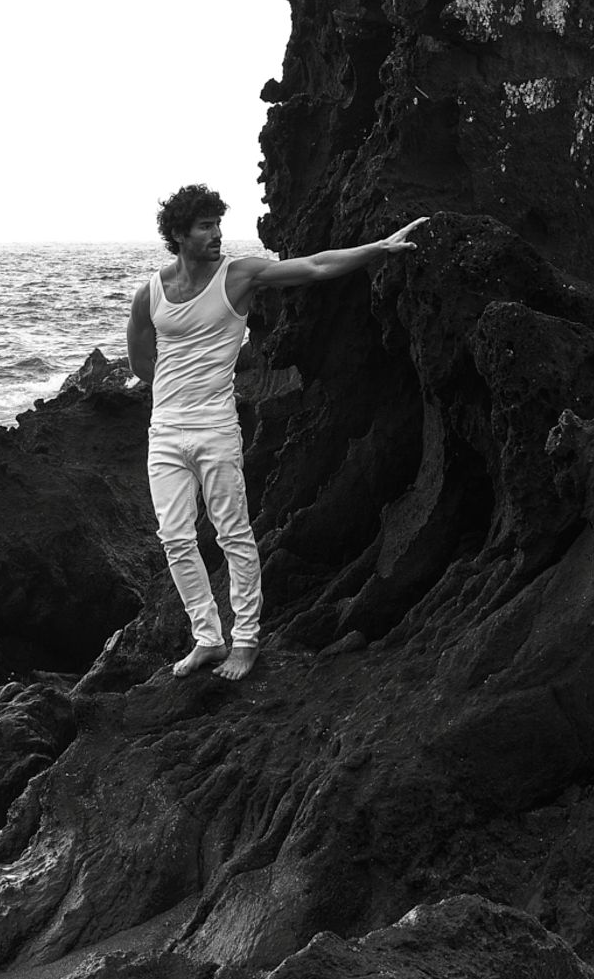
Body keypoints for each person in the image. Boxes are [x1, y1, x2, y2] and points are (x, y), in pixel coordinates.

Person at [126, 184, 427, 682]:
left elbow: (315, 267)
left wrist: (379, 247)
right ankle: (208, 639)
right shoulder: (150, 294)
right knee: (175, 538)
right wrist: (179, 389)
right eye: (205, 226)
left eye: (218, 224)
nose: (217, 234)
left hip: (216, 429)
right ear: (178, 234)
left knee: (232, 533)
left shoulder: (239, 275)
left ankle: (245, 640)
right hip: (166, 433)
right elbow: (142, 363)